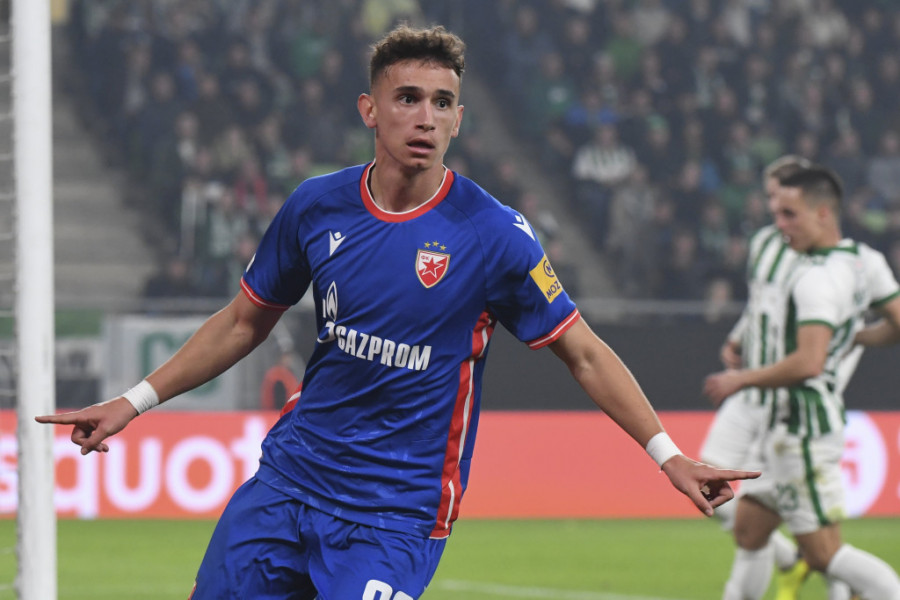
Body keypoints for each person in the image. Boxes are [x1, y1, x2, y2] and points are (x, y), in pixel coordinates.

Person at [38, 25, 757, 600]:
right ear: (369, 110)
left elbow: (584, 351)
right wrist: (134, 401)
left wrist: (668, 455)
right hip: (287, 484)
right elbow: (242, 322)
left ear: (460, 119)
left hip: (395, 516)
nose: (425, 118)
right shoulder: (316, 206)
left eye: (442, 103)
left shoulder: (494, 235)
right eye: (408, 98)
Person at [704, 165, 900, 600]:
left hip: (803, 427)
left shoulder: (816, 278)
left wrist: (742, 379)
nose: (780, 225)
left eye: (789, 214)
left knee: (826, 554)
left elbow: (809, 362)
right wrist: (852, 337)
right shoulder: (859, 261)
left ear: (822, 213)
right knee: (749, 532)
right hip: (782, 424)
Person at [700, 155, 828, 599]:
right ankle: (791, 558)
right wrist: (738, 337)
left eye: (780, 197)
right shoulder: (763, 244)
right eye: (770, 196)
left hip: (782, 393)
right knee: (707, 483)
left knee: (766, 513)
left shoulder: (812, 255)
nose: (774, 206)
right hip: (750, 388)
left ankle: (828, 571)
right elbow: (759, 305)